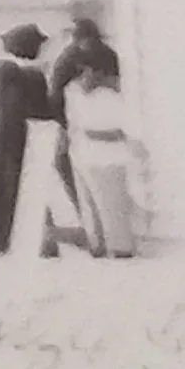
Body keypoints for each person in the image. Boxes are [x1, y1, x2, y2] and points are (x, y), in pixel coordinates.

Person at [0, 24, 68, 259]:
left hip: (9, 134)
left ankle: (6, 236)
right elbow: (35, 108)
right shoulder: (19, 72)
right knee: (17, 184)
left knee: (8, 184)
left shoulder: (7, 70)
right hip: (20, 135)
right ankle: (13, 236)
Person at [62, 57, 135, 260]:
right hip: (83, 153)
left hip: (107, 156)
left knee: (112, 203)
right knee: (90, 203)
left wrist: (93, 133)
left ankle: (120, 247)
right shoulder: (74, 92)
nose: (85, 77)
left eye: (89, 72)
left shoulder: (110, 96)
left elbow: (119, 129)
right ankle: (98, 243)